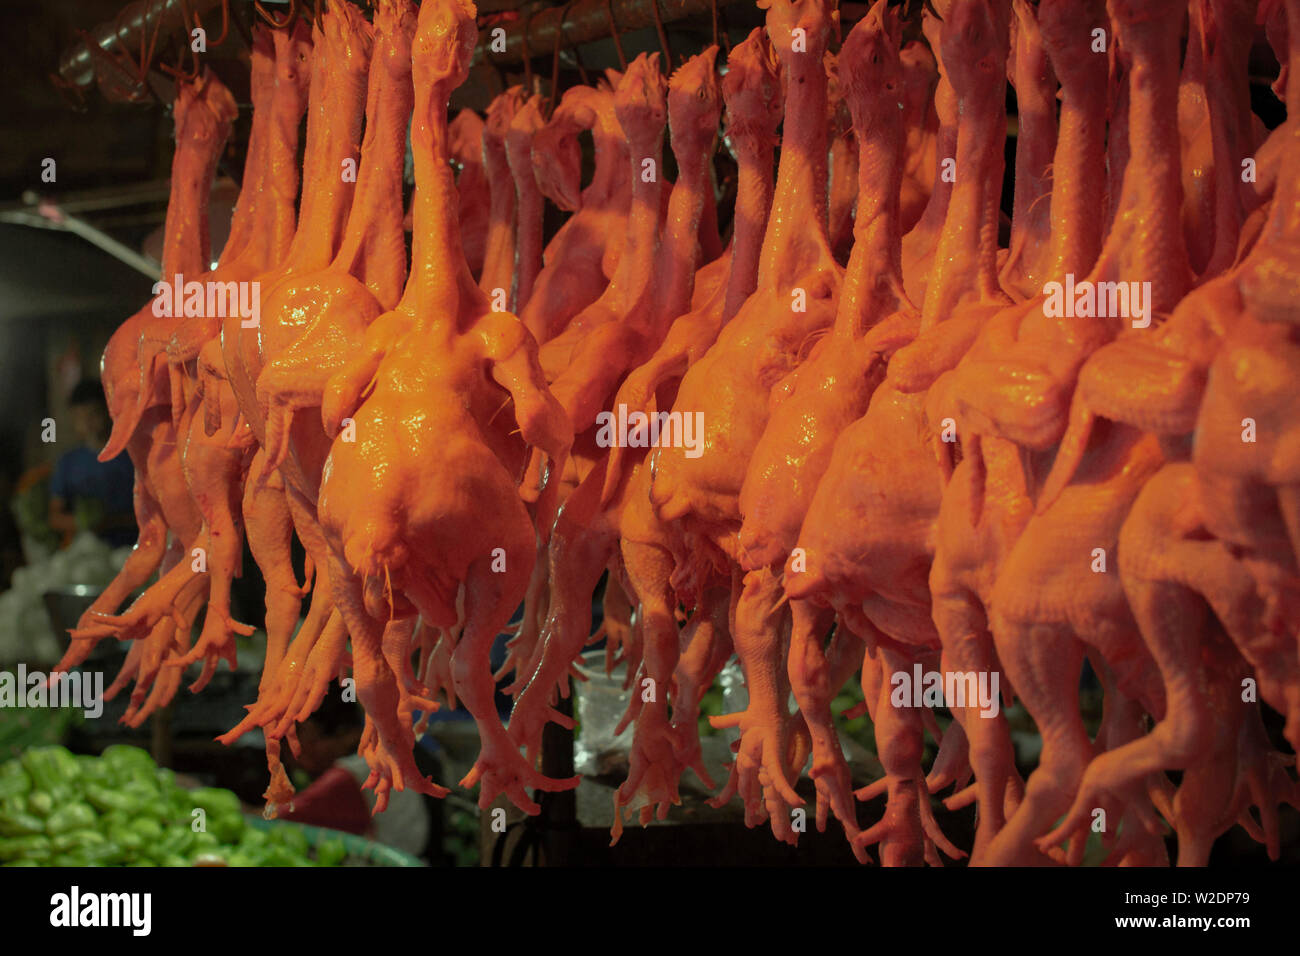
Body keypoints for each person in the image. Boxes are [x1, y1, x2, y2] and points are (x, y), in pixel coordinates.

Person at [280, 692, 441, 861]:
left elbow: (276, 817)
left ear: (344, 734)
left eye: (298, 734)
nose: (294, 750)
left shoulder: (354, 773)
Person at [48, 380, 136, 548]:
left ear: (109, 410)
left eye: (93, 414)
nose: (87, 423)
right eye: (80, 417)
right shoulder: (68, 462)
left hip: (130, 546)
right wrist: (83, 522)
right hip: (86, 548)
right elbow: (55, 516)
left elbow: (154, 509)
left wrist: (112, 521)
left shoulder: (132, 456)